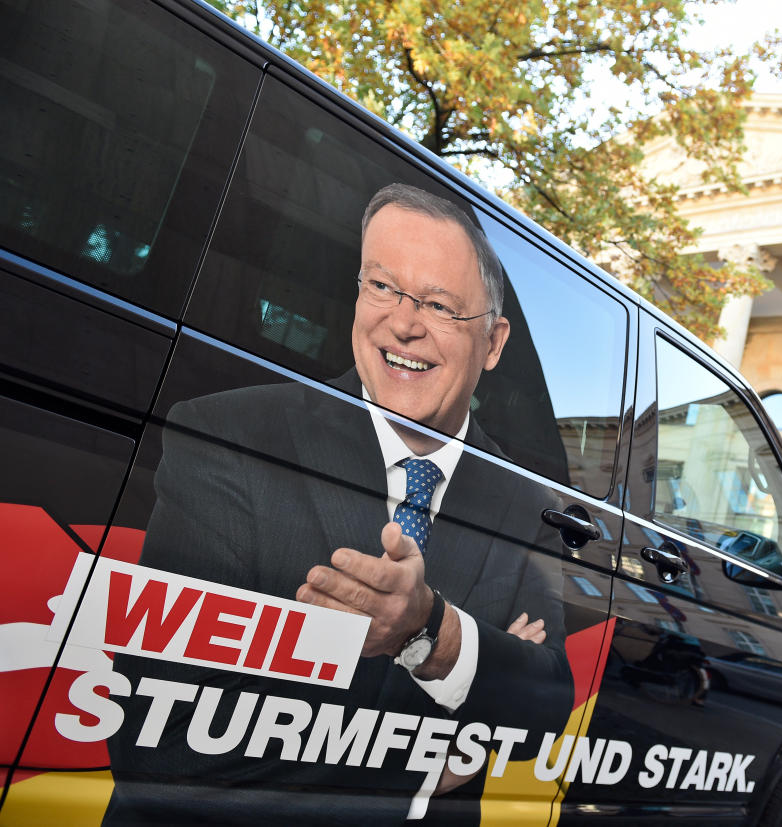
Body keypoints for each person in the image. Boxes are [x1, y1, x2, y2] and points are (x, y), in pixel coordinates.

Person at [104, 185, 573, 825]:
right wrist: (434, 756)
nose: (403, 323)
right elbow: (160, 742)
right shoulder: (229, 438)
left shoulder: (528, 506)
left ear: (492, 344)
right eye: (381, 287)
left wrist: (426, 629)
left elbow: (541, 708)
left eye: (438, 304)